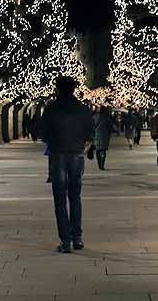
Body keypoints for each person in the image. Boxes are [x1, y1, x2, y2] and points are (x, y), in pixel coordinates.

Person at [32, 75, 93, 253]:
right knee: (75, 196)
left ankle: (65, 241)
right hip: (76, 155)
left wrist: (50, 138)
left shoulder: (52, 108)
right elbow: (90, 131)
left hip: (58, 154)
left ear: (58, 88)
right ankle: (78, 238)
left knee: (60, 199)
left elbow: (41, 130)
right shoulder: (82, 108)